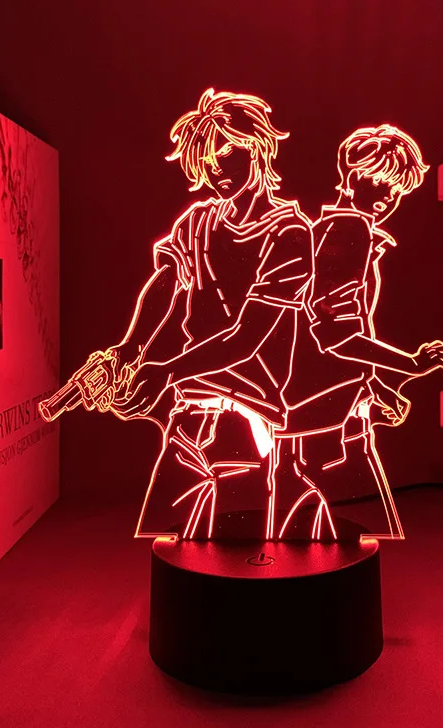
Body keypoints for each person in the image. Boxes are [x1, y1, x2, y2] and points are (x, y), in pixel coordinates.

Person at [103, 88, 313, 539]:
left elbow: (246, 337)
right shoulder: (196, 221)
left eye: (227, 153)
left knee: (237, 545)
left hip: (249, 413)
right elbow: (165, 284)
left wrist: (164, 372)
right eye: (207, 160)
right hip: (190, 408)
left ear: (257, 148)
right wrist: (129, 350)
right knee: (169, 534)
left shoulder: (290, 233)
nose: (216, 170)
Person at [276, 124, 443, 540]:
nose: (386, 195)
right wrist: (410, 364)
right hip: (320, 405)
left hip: (324, 400)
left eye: (395, 188)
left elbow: (332, 329)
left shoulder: (330, 231)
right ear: (349, 174)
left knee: (315, 511)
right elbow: (333, 334)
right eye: (376, 179)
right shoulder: (348, 232)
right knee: (346, 514)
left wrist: (373, 387)